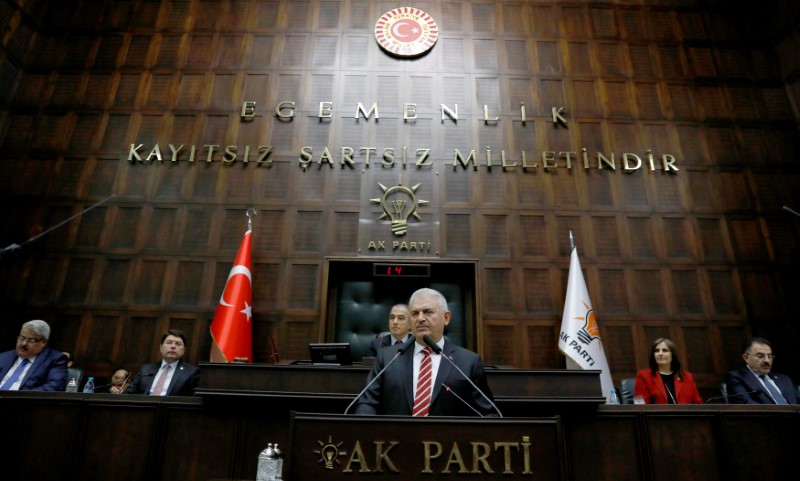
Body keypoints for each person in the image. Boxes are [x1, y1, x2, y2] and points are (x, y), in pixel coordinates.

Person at [354, 288, 497, 416]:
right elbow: (367, 403)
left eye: (428, 312)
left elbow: (488, 414)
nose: (421, 318)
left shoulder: (468, 362)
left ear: (446, 318)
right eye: (415, 313)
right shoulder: (387, 357)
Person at [125, 329, 200, 396]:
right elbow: (129, 393)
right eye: (169, 342)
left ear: (184, 350)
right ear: (161, 348)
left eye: (178, 344)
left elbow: (192, 399)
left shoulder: (191, 372)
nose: (173, 346)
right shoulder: (146, 369)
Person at [725, 337, 799, 404]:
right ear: (746, 358)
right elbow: (746, 404)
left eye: (769, 356)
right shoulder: (737, 377)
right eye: (760, 356)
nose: (767, 360)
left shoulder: (784, 379)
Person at [0, 320, 68, 391]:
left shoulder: (54, 359)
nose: (24, 343)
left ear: (43, 342)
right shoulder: (4, 357)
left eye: (31, 340)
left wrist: (21, 397)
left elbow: (55, 385)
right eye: (22, 338)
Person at [634, 338, 702, 404]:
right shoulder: (644, 376)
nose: (660, 354)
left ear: (672, 354)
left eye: (665, 350)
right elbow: (640, 406)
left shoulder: (688, 377)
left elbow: (697, 403)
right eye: (657, 351)